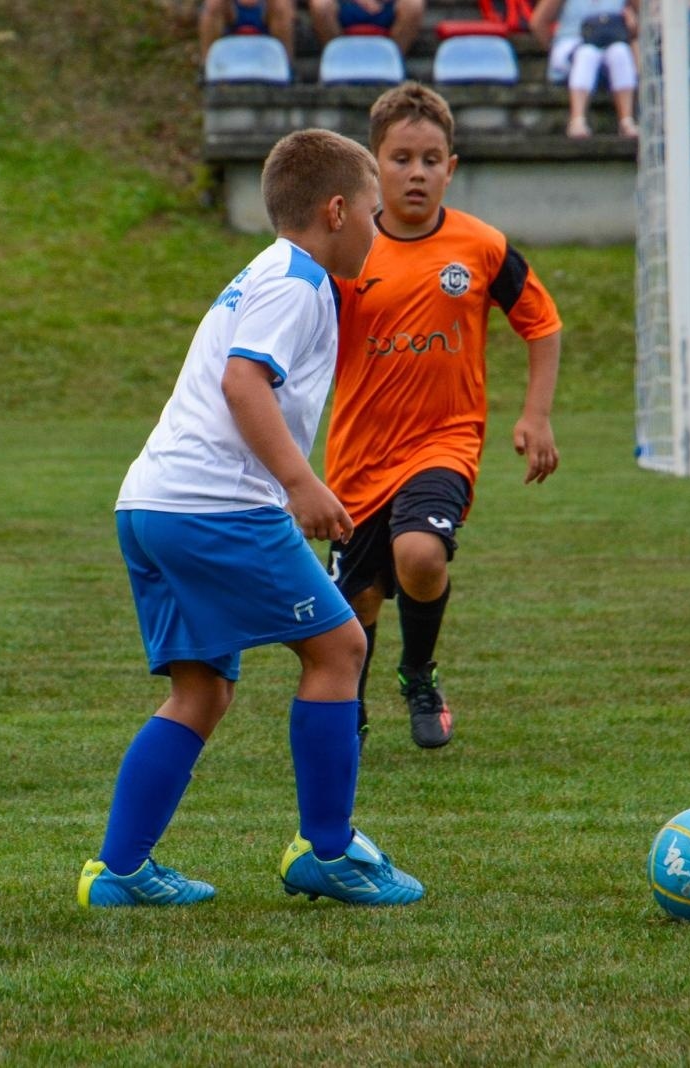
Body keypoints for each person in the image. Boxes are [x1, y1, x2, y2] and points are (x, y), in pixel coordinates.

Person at [77, 128, 423, 909]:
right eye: (372, 211)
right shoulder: (296, 282)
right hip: (213, 506)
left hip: (151, 503)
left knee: (201, 691)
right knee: (340, 648)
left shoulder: (265, 273)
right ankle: (327, 851)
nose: (379, 226)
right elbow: (243, 384)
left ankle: (121, 872)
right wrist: (300, 484)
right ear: (337, 210)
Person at [323, 83, 563, 751]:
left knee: (421, 554)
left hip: (444, 442)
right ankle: (351, 705)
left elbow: (541, 324)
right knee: (361, 599)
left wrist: (535, 416)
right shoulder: (344, 253)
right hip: (359, 455)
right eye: (401, 159)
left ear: (450, 168)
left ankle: (420, 673)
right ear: (373, 166)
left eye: (431, 159)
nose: (417, 172)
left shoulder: (480, 247)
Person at [531, 0, 641, 138]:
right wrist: (552, 47)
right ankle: (577, 120)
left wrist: (632, 26)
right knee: (587, 54)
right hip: (572, 42)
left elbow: (644, 19)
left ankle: (626, 120)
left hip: (609, 42)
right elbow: (538, 23)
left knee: (620, 52)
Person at [308, 0, 427, 55]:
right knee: (320, 4)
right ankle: (338, 57)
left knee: (414, 4)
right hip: (346, 6)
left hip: (386, 7)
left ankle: (392, 59)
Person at [199, 0, 298, 64]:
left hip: (267, 11)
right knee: (213, 4)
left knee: (281, 5)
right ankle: (206, 66)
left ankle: (286, 65)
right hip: (232, 11)